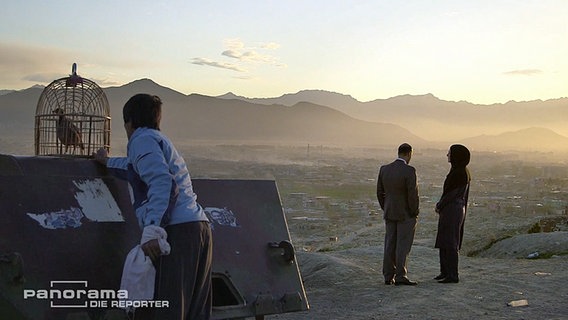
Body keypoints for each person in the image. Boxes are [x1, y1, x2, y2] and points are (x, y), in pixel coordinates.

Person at [94, 93, 212, 319]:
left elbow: (162, 182)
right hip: (198, 227)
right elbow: (133, 169)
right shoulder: (158, 140)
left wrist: (152, 229)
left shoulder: (141, 140)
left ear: (129, 122)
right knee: (194, 312)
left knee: (168, 310)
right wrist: (106, 161)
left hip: (177, 231)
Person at [376, 143, 419, 286]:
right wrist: (414, 211)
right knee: (403, 245)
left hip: (389, 211)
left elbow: (379, 193)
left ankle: (388, 276)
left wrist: (386, 207)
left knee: (390, 243)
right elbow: (412, 195)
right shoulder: (409, 171)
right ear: (409, 154)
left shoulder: (384, 169)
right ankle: (400, 275)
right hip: (405, 213)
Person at [434, 144, 471, 284]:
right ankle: (445, 272)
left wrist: (440, 205)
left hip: (452, 210)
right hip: (452, 210)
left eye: (449, 153)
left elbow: (452, 194)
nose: (447, 155)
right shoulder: (459, 171)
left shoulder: (459, 173)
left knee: (450, 242)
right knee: (445, 240)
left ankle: (452, 274)